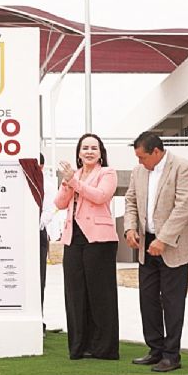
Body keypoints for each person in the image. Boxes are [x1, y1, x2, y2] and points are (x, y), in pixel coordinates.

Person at [123, 131, 188, 373]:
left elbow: (184, 207)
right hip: (146, 246)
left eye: (142, 157)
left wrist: (164, 239)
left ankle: (171, 355)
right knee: (148, 300)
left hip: (173, 246)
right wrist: (129, 228)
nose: (139, 162)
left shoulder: (183, 168)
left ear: (156, 152)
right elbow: (131, 200)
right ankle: (155, 349)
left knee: (173, 302)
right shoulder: (139, 172)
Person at [54, 133, 119, 360]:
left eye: (94, 148)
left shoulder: (107, 173)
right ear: (79, 153)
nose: (89, 151)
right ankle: (79, 346)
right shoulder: (74, 175)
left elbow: (100, 196)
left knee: (100, 293)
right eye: (85, 148)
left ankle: (104, 348)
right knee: (75, 293)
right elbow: (60, 203)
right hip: (73, 238)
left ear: (101, 152)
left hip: (99, 239)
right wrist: (67, 182)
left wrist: (74, 182)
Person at [38, 152, 58, 332]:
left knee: (38, 279)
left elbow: (49, 211)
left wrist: (34, 225)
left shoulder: (48, 186)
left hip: (37, 235)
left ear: (41, 167)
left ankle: (38, 320)